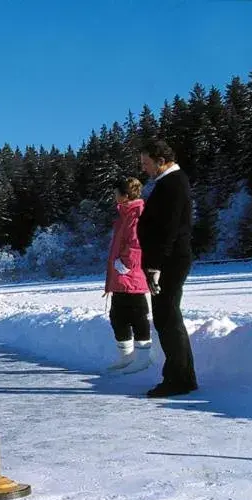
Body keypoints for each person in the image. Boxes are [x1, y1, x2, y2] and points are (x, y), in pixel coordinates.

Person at [137, 139, 198, 398]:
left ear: (161, 161)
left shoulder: (173, 184)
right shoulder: (168, 183)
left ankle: (180, 378)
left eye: (147, 163)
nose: (144, 169)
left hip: (170, 261)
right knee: (167, 317)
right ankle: (181, 375)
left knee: (167, 317)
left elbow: (168, 229)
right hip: (168, 260)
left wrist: (155, 265)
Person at [103, 178, 152, 374]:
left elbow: (136, 242)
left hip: (132, 275)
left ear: (125, 195)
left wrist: (127, 264)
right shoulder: (124, 214)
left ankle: (143, 357)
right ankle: (126, 356)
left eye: (116, 193)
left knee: (138, 315)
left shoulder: (136, 213)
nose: (114, 196)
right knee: (117, 316)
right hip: (121, 276)